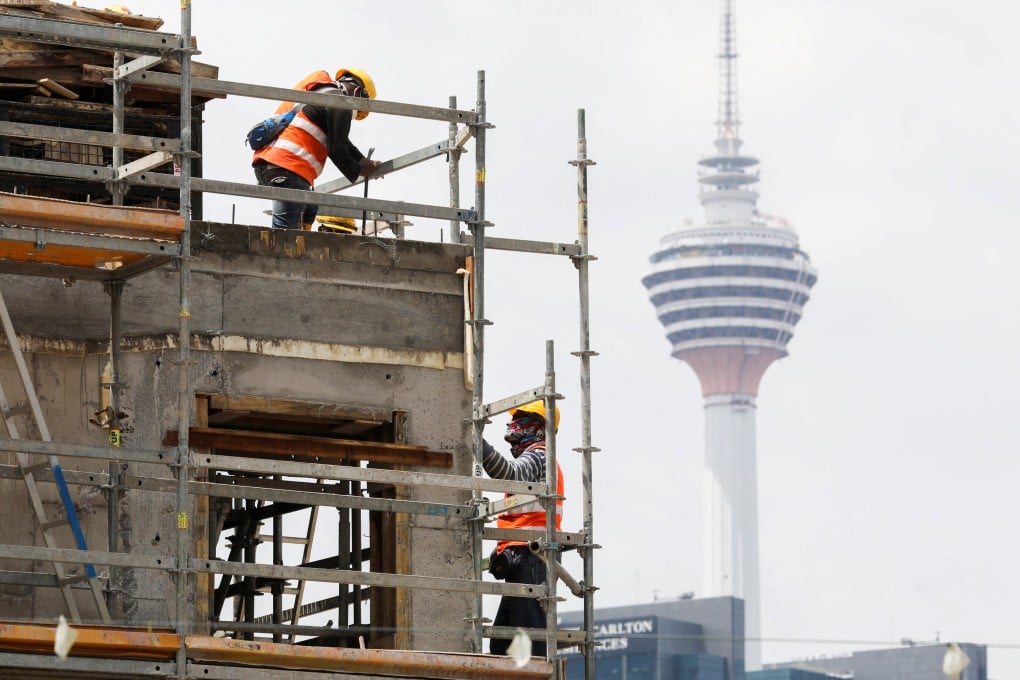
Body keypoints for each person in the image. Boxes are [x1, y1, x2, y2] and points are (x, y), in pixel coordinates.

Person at [482, 400, 564, 658]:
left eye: (522, 418)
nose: (514, 425)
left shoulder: (540, 456)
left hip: (533, 556)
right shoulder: (537, 458)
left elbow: (509, 473)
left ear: (539, 427)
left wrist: (477, 444)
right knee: (502, 645)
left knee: (529, 644)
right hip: (523, 558)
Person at [252, 67, 381, 230]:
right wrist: (359, 169)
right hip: (289, 168)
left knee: (310, 207)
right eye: (359, 110)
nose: (354, 114)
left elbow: (342, 141)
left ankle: (299, 247)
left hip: (269, 165)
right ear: (357, 93)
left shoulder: (320, 96)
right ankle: (281, 253)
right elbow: (337, 150)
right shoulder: (341, 102)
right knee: (284, 236)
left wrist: (364, 161)